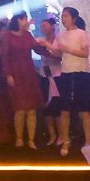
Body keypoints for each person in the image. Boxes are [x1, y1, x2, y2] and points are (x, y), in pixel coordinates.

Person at [2, 13, 44, 150]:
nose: (27, 21)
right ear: (18, 20)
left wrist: (51, 50)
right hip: (16, 74)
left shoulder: (28, 35)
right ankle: (19, 138)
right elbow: (4, 57)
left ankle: (31, 139)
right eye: (25, 19)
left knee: (31, 109)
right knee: (19, 109)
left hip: (29, 73)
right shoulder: (8, 36)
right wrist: (8, 75)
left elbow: (38, 49)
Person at [56, 7, 90, 157]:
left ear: (74, 18)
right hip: (65, 73)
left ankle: (88, 142)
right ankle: (66, 140)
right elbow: (58, 53)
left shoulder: (82, 33)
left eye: (66, 16)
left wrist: (67, 49)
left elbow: (85, 53)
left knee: (84, 110)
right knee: (64, 110)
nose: (63, 19)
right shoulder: (61, 35)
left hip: (80, 74)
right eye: (62, 16)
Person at [35, 17, 64, 147]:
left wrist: (47, 46)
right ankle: (52, 135)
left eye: (45, 25)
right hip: (45, 75)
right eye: (42, 26)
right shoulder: (41, 40)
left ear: (53, 26)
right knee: (47, 108)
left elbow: (59, 55)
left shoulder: (59, 39)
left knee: (57, 106)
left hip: (58, 75)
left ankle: (61, 135)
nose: (43, 28)